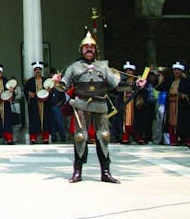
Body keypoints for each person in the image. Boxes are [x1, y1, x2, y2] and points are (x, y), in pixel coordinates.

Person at [59, 32, 141, 184]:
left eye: (91, 47)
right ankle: (77, 171)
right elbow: (62, 86)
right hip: (81, 104)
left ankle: (105, 172)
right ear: (81, 49)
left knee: (103, 136)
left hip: (100, 104)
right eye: (86, 47)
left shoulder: (103, 67)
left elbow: (116, 86)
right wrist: (56, 83)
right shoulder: (74, 67)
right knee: (80, 137)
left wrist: (135, 84)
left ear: (96, 49)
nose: (89, 49)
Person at [156, 61, 190, 148]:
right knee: (171, 122)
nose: (176, 72)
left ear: (181, 71)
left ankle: (187, 140)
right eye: (175, 70)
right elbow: (159, 88)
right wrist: (160, 79)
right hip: (171, 105)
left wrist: (184, 95)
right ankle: (173, 140)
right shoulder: (170, 81)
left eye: (178, 70)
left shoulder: (186, 81)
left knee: (183, 123)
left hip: (182, 107)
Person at [117, 61, 150, 145]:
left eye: (130, 70)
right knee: (124, 120)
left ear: (133, 71)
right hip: (124, 103)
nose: (129, 72)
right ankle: (124, 136)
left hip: (134, 104)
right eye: (127, 70)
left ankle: (138, 136)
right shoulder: (121, 81)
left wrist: (140, 87)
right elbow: (118, 88)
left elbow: (144, 90)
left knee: (136, 120)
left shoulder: (138, 80)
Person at [25, 61, 52, 144]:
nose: (37, 71)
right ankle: (33, 138)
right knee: (34, 120)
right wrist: (29, 94)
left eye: (39, 69)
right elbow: (26, 91)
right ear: (34, 71)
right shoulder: (29, 81)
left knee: (46, 120)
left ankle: (45, 138)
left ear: (41, 70)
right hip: (34, 104)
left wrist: (49, 93)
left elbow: (51, 92)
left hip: (45, 104)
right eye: (36, 69)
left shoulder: (46, 81)